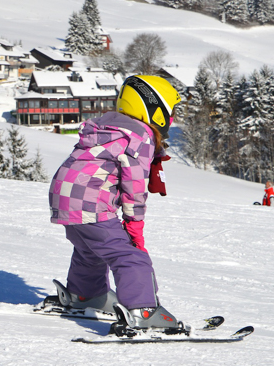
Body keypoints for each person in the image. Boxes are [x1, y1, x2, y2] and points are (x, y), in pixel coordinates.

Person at [48, 75, 181, 331]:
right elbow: (135, 184)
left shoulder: (108, 128)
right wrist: (134, 222)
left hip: (63, 196)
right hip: (89, 201)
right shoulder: (139, 135)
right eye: (171, 111)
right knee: (130, 257)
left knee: (91, 250)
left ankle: (87, 295)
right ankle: (143, 311)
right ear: (156, 109)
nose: (172, 118)